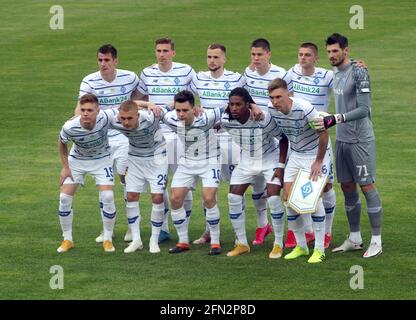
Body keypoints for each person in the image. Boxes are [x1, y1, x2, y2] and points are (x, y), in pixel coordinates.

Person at [312, 33, 383, 258]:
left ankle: (376, 240)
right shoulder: (336, 72)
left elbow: (364, 109)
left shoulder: (359, 72)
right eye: (329, 52)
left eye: (336, 51)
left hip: (360, 140)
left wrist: (336, 118)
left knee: (367, 186)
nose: (332, 55)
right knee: (347, 187)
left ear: (346, 50)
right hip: (342, 140)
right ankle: (354, 238)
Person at [191, 43, 269, 245]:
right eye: (209, 57)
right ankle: (209, 230)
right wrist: (195, 108)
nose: (212, 61)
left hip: (232, 139)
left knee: (238, 187)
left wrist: (254, 106)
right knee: (208, 187)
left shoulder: (236, 78)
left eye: (216, 57)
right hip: (207, 140)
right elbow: (186, 100)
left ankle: (246, 231)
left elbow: (246, 99)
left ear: (224, 59)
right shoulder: (198, 78)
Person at [76, 44, 141, 244]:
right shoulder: (89, 81)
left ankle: (132, 229)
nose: (103, 64)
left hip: (123, 137)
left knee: (126, 180)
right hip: (101, 138)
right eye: (100, 60)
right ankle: (107, 231)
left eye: (106, 60)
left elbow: (139, 99)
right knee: (104, 185)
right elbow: (81, 109)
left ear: (115, 61)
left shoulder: (130, 78)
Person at [137, 38, 196, 243]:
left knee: (183, 183)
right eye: (158, 51)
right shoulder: (147, 73)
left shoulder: (186, 71)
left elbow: (193, 97)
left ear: (173, 53)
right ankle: (162, 229)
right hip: (157, 135)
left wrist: (171, 106)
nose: (161, 54)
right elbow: (136, 98)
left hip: (181, 135)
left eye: (165, 51)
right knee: (159, 185)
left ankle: (184, 227)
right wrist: (147, 105)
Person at [221, 88, 288, 258]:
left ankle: (278, 244)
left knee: (273, 197)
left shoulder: (262, 118)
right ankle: (242, 243)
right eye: (232, 104)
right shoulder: (225, 119)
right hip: (246, 161)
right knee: (233, 197)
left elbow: (283, 139)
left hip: (270, 158)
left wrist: (280, 166)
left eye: (239, 104)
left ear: (247, 104)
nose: (235, 108)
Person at [268, 78, 330, 264]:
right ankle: (301, 246)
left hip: (314, 155)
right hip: (295, 155)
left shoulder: (304, 108)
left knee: (313, 201)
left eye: (279, 96)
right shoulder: (272, 110)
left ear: (288, 93)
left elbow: (324, 133)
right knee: (289, 201)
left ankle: (319, 250)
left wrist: (318, 161)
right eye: (272, 98)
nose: (275, 101)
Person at [282, 42, 336, 249]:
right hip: (298, 139)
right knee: (297, 186)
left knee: (326, 186)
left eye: (307, 55)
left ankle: (327, 232)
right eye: (300, 54)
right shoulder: (292, 73)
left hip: (320, 137)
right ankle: (307, 232)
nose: (303, 58)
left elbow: (343, 86)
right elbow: (279, 89)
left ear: (316, 58)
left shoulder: (326, 76)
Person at [159, 90, 224, 255]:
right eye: (178, 110)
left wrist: (253, 105)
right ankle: (183, 241)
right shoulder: (171, 118)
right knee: (175, 198)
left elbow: (227, 106)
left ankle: (215, 242)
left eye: (185, 110)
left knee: (209, 198)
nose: (181, 114)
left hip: (210, 160)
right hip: (187, 161)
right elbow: (159, 112)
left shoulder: (206, 118)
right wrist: (167, 106)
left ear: (194, 109)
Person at [57, 94, 117, 253]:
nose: (85, 113)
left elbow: (128, 108)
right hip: (77, 160)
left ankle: (108, 239)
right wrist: (65, 167)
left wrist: (149, 105)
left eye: (89, 110)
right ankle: (67, 239)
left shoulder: (106, 117)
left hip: (102, 159)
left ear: (98, 110)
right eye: (83, 110)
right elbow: (62, 143)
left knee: (108, 197)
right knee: (64, 198)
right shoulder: (70, 126)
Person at [109, 99, 168, 253]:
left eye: (130, 118)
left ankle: (153, 241)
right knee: (131, 196)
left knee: (157, 197)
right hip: (135, 159)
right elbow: (94, 115)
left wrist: (195, 109)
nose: (126, 123)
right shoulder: (113, 119)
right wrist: (76, 118)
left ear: (138, 115)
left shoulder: (152, 116)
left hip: (157, 158)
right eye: (123, 118)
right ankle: (136, 240)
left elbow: (174, 108)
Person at [243, 38, 287, 246]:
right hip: (255, 136)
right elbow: (244, 97)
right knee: (256, 184)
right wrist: (253, 105)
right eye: (253, 54)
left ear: (269, 54)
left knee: (280, 185)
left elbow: (288, 99)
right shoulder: (248, 73)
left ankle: (298, 230)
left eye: (259, 54)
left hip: (278, 134)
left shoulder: (281, 74)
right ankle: (263, 225)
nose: (256, 58)